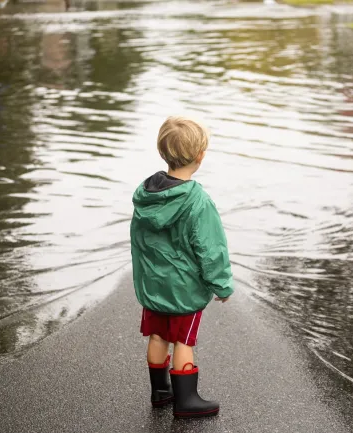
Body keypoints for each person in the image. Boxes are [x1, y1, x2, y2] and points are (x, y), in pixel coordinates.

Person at [130, 116, 234, 418]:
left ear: (163, 152)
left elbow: (139, 240)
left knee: (158, 335)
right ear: (200, 156)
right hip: (183, 290)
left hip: (153, 285)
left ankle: (160, 392)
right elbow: (211, 249)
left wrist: (145, 275)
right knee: (183, 341)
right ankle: (186, 400)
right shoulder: (197, 201)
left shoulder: (146, 196)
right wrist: (222, 285)